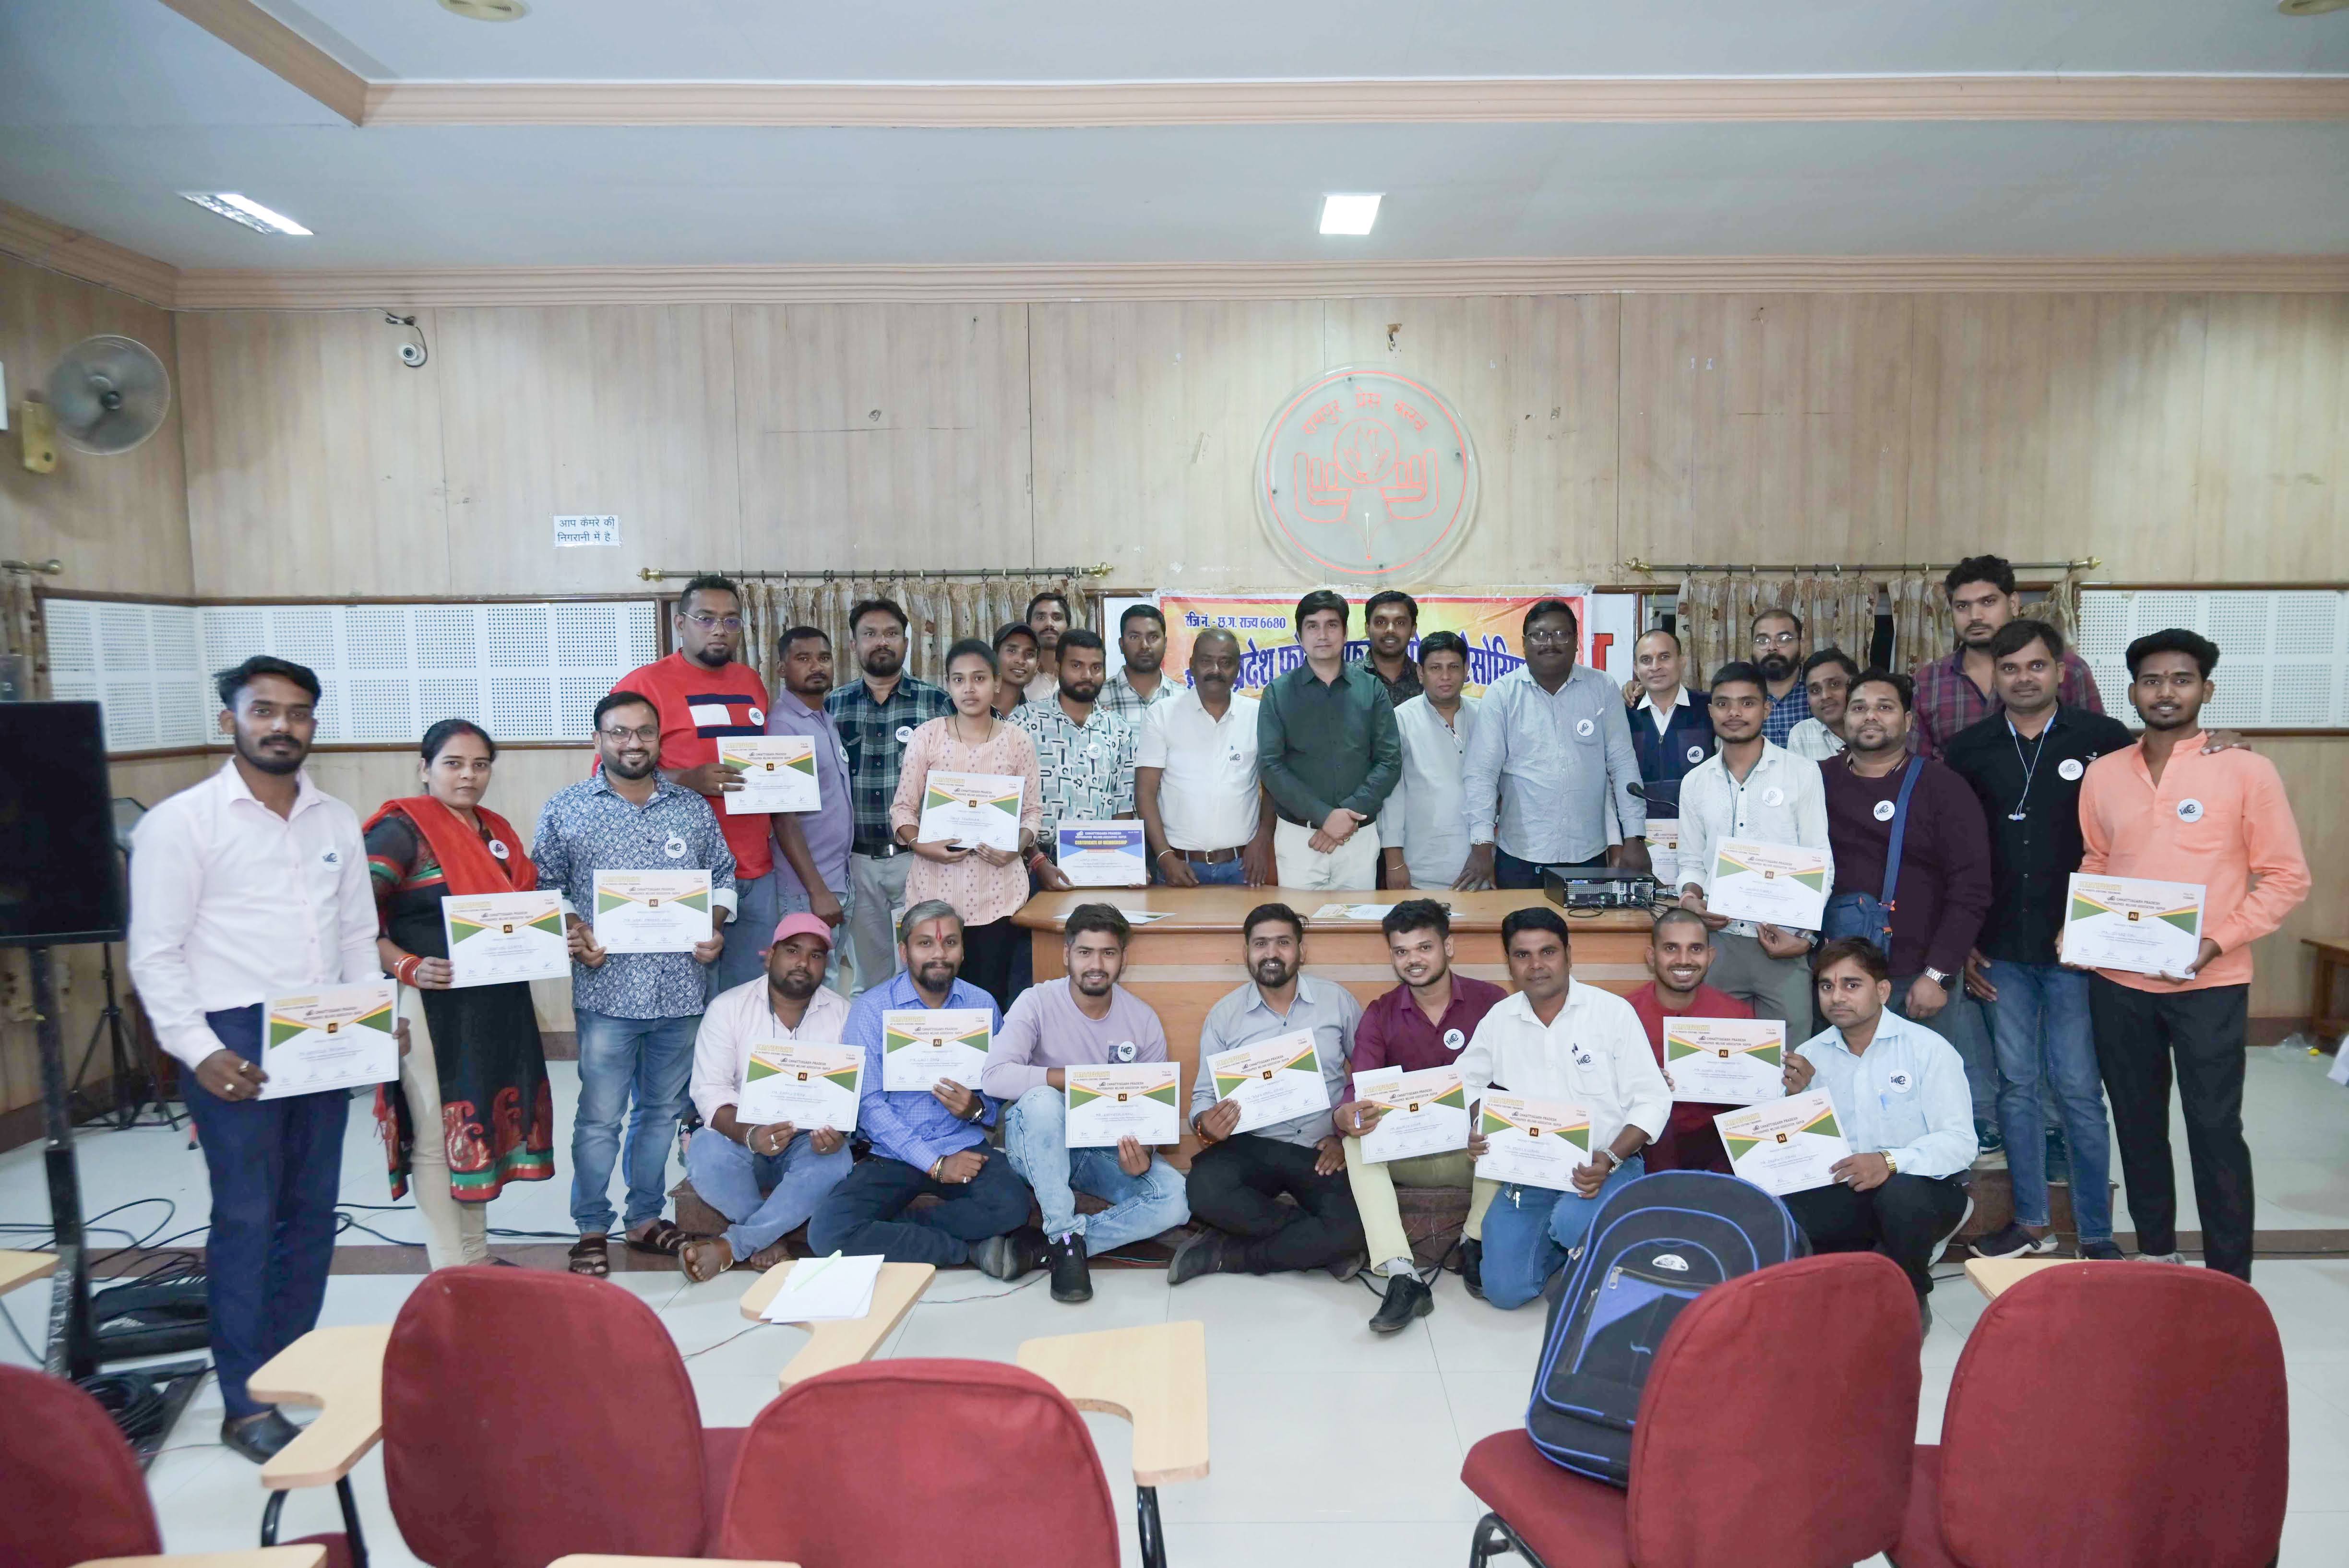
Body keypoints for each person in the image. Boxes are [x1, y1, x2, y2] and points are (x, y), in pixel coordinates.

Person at [128, 655, 384, 1463]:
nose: (282, 725)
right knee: (246, 1217)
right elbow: (155, 953)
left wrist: (370, 1019)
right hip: (232, 1036)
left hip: (322, 1030)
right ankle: (244, 1404)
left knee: (310, 1216)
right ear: (229, 720)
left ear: (314, 724)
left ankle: (286, 1370)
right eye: (264, 710)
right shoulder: (183, 822)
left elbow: (356, 934)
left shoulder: (335, 819)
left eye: (298, 712)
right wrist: (198, 1049)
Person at [2077, 629, 2309, 1281]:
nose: (2165, 692)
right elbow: (2097, 860)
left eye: (2180, 680)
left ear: (2205, 690)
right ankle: (2156, 1253)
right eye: (2151, 680)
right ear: (2132, 692)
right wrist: (2083, 928)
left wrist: (2214, 944)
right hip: (2118, 981)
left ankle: (2230, 1276)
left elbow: (2285, 877)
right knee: (2137, 1125)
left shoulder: (2245, 771)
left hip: (2211, 983)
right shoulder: (2103, 774)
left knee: (2213, 1129)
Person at [1943, 619, 2134, 1263]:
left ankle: (2096, 1233)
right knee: (2016, 1087)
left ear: (2059, 671)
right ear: (1993, 677)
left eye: (2035, 666)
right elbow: (1956, 853)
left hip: (2079, 947)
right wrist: (1965, 936)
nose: (2022, 678)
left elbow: (2136, 828)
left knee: (2077, 1088)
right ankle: (2030, 1223)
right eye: (2009, 668)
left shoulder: (2104, 740)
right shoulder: (1967, 749)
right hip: (1999, 948)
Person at [534, 690, 736, 1277]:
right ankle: (591, 1226)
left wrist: (714, 926)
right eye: (619, 732)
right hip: (607, 992)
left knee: (660, 1113)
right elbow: (545, 885)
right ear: (598, 740)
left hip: (680, 990)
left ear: (659, 739)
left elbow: (723, 876)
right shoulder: (567, 808)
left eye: (644, 732)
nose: (632, 743)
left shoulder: (690, 808)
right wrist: (574, 926)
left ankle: (645, 1217)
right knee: (600, 1118)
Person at [365, 719, 553, 1272]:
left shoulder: (496, 830)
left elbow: (524, 912)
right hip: (429, 1005)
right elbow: (351, 922)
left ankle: (475, 1257)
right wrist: (407, 965)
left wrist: (554, 935)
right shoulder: (399, 831)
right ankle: (451, 1269)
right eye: (453, 763)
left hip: (494, 1005)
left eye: (479, 764)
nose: (467, 775)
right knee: (435, 1134)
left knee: (477, 1131)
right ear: (424, 769)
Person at [1821, 670, 1998, 1148]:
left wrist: (1938, 975)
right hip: (1833, 981)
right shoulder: (1815, 780)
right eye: (1859, 707)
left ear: (1906, 719)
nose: (1870, 717)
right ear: (1844, 717)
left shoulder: (1942, 787)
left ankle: (1928, 1192)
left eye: (1883, 707)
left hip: (1916, 978)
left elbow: (1971, 888)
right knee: (1841, 1107)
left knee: (1922, 1109)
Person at [1458, 907, 1668, 1310]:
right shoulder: (1500, 1019)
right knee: (1504, 1292)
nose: (1536, 966)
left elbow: (1652, 1098)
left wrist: (1610, 1158)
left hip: (1606, 1167)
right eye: (1522, 955)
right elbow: (1464, 1081)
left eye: (1548, 952)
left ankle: (1591, 1244)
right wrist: (1479, 1123)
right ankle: (1570, 1252)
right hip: (1530, 1173)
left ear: (1569, 956)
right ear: (1509, 962)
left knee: (1572, 1222)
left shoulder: (1611, 1013)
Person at [807, 902, 1035, 1270]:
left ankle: (896, 1229)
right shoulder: (872, 1009)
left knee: (1013, 1207)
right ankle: (968, 1251)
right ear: (904, 952)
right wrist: (936, 1164)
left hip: (962, 1144)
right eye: (925, 943)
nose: (939, 954)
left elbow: (995, 1094)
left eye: (950, 943)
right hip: (891, 1153)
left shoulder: (982, 1005)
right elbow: (868, 1106)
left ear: (963, 951)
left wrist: (975, 1109)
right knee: (826, 1234)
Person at [981, 904, 1191, 1303]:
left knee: (1175, 1199)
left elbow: (1151, 1109)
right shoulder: (1036, 1002)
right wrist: (1076, 1080)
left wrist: (1145, 1152)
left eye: (1107, 953)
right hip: (1039, 1144)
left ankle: (1058, 1247)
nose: (1096, 965)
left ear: (1122, 958)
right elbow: (994, 1076)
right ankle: (1062, 1231)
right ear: (1067, 955)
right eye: (1085, 952)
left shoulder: (1142, 1019)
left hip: (1100, 1151)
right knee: (1043, 1100)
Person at [1782, 938, 1978, 1334]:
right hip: (1846, 1189)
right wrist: (1790, 1100)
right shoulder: (1809, 1055)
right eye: (1826, 986)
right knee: (1783, 1210)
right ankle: (1857, 1268)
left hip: (1921, 1190)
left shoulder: (1927, 1049)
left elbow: (1960, 1142)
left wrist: (1888, 1161)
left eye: (1851, 985)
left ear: (1883, 991)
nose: (1837, 997)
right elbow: (1793, 1152)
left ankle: (1911, 1295)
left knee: (1900, 1194)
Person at [1329, 900, 1506, 1328]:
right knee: (1355, 1142)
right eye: (1401, 951)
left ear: (1448, 947)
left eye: (1424, 948)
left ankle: (1473, 1242)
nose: (1413, 960)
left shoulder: (1491, 1002)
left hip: (1472, 1157)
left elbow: (1513, 1082)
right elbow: (1358, 1091)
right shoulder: (1381, 1013)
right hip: (1406, 1155)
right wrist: (1345, 1117)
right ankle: (1401, 1274)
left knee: (1505, 1121)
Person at [1171, 904, 1367, 1283]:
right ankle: (1316, 1241)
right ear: (1246, 952)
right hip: (1253, 1145)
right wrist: (1205, 1124)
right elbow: (1203, 1096)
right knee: (1203, 1191)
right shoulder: (1225, 1015)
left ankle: (1226, 1254)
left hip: (1320, 1149)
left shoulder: (1336, 1001)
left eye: (1283, 943)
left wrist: (1344, 1135)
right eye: (1260, 944)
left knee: (1356, 1227)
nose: (1271, 953)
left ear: (1301, 951)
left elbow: (1363, 1075)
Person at [615, 574, 774, 994]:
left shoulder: (750, 682)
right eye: (706, 618)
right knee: (688, 1004)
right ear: (680, 623)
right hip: (683, 872)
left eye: (731, 620)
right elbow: (610, 775)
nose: (719, 629)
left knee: (750, 1001)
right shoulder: (643, 685)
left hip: (755, 868)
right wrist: (686, 779)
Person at [677, 914, 855, 1282]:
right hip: (741, 1134)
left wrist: (835, 1134)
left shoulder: (843, 1015)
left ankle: (736, 1245)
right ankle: (768, 1236)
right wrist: (750, 1135)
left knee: (836, 1163)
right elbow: (709, 1092)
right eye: (793, 951)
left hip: (807, 1141)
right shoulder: (728, 1008)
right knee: (707, 1155)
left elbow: (852, 1094)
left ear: (825, 965)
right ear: (770, 955)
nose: (803, 963)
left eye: (816, 956)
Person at [890, 638, 1044, 1010]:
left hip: (998, 895)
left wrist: (1017, 847)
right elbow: (902, 809)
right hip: (933, 893)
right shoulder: (928, 736)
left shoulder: (1018, 742)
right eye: (958, 680)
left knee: (990, 1001)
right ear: (948, 685)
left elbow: (1032, 813)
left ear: (996, 682)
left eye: (979, 678)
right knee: (931, 998)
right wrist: (919, 844)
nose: (969, 689)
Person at [1675, 661, 1832, 1027]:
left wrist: (1804, 936)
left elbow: (1820, 861)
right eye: (1723, 703)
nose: (1734, 713)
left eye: (1746, 703)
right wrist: (1690, 900)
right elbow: (1690, 862)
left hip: (1782, 942)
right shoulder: (1694, 782)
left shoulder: (1802, 773)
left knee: (1790, 1054)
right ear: (1710, 711)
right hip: (1718, 943)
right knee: (1716, 1051)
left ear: (1766, 709)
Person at [1459, 598, 1647, 890]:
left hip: (1588, 853)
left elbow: (1623, 765)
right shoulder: (1503, 694)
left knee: (1586, 922)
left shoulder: (1602, 688)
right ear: (1524, 643)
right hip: (1520, 855)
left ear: (1576, 642)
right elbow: (1482, 774)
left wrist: (1635, 837)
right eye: (1539, 635)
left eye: (1561, 634)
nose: (1550, 643)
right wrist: (1481, 845)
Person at [828, 596, 953, 996]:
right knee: (869, 979)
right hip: (856, 862)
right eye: (870, 634)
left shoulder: (937, 702)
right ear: (853, 645)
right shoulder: (832, 706)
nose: (881, 642)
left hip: (919, 860)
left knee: (926, 971)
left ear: (906, 642)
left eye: (891, 633)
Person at [1257, 590, 1402, 890]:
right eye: (1313, 626)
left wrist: (1345, 817)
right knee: (1299, 918)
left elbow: (1389, 761)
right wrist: (1324, 816)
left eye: (1331, 625)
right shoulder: (1278, 693)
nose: (1323, 635)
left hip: (1358, 835)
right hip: (1300, 839)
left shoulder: (1372, 690)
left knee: (1358, 919)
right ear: (1299, 636)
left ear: (1346, 633)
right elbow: (1271, 766)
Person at [1910, 555, 2105, 758]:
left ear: (2013, 604)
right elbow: (1917, 766)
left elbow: (2098, 749)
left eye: (1988, 602)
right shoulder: (1928, 682)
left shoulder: (2068, 669)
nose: (1975, 616)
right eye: (1962, 606)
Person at [1136, 627, 1275, 888]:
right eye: (1206, 661)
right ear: (1192, 665)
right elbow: (1145, 793)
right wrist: (1165, 857)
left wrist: (1263, 838)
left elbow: (1273, 785)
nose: (1215, 670)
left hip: (1243, 865)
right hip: (1180, 866)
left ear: (1238, 668)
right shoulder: (1162, 714)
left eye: (1226, 662)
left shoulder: (1258, 715)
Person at [1629, 907, 1755, 1174]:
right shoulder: (1624, 1014)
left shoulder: (1738, 1015)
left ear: (1711, 957)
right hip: (1642, 1143)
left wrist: (1785, 1087)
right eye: (1671, 948)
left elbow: (1751, 1100)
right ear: (1651, 956)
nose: (1684, 960)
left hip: (1716, 1145)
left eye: (1695, 949)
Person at [766, 626, 855, 994]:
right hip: (807, 887)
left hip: (835, 878)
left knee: (827, 986)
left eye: (824, 658)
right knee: (805, 987)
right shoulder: (783, 727)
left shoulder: (823, 719)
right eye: (803, 658)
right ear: (781, 668)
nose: (816, 666)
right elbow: (783, 818)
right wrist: (817, 890)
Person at [1013, 627, 1136, 886]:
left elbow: (1122, 806)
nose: (1087, 675)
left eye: (1096, 667)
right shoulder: (1024, 721)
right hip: (1034, 863)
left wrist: (1128, 865)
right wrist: (1038, 861)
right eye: (1077, 665)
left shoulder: (1118, 729)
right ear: (1059, 667)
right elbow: (1012, 801)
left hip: (1100, 862)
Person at [1380, 631, 1480, 890]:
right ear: (1421, 673)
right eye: (1436, 668)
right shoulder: (1400, 720)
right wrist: (1394, 862)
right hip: (1420, 866)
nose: (1445, 676)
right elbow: (1392, 797)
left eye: (1453, 667)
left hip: (1481, 866)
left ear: (1466, 670)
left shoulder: (1486, 715)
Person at [1625, 628, 1714, 817]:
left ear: (1682, 662)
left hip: (1699, 827)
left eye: (1664, 657)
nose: (1655, 667)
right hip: (1639, 829)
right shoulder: (1624, 714)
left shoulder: (1709, 708)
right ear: (1636, 669)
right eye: (1646, 660)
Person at [1100, 602, 1179, 723]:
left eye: (1153, 637)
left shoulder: (1184, 699)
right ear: (1121, 645)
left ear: (1165, 643)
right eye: (1135, 637)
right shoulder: (1098, 699)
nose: (1145, 646)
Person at [1750, 608, 1812, 745]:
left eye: (1784, 639)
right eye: (1762, 641)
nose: (1772, 647)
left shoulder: (1818, 691)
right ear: (1752, 648)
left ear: (1802, 646)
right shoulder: (1742, 695)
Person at [1785, 648, 1858, 762]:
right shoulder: (1801, 735)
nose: (1825, 696)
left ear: (1855, 685)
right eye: (1815, 690)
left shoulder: (1877, 725)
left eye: (1835, 684)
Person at [1358, 589, 1424, 707]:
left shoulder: (1425, 680)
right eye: (1381, 622)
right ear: (1367, 629)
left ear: (1413, 630)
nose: (1390, 630)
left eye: (1400, 623)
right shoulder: (1346, 679)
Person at [1025, 590, 1072, 702]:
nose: (1049, 624)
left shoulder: (1080, 676)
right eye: (1041, 618)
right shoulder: (1019, 675)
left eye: (1057, 618)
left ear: (1068, 627)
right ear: (1029, 626)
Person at [990, 622, 1038, 720]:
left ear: (1037, 666)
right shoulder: (968, 709)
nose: (1021, 661)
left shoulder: (1038, 718)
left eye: (1029, 654)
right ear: (994, 657)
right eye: (1012, 651)